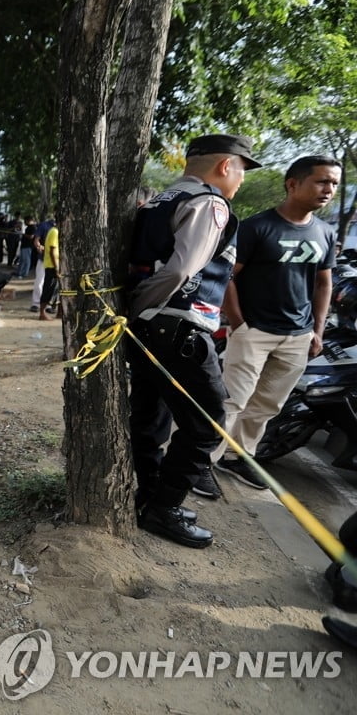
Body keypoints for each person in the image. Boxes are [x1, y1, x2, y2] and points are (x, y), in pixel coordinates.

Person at [127, 133, 261, 549]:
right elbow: (179, 272)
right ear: (225, 166)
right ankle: (164, 509)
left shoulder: (158, 201)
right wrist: (141, 307)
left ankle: (149, 496)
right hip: (179, 328)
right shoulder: (211, 204)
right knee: (207, 425)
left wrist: (137, 315)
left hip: (148, 331)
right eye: (241, 170)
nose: (240, 181)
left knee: (152, 418)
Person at [210, 155, 339, 492]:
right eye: (322, 181)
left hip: (298, 335)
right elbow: (226, 276)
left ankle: (238, 457)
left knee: (267, 404)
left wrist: (317, 329)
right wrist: (238, 323)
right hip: (254, 330)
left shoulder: (324, 232)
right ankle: (202, 461)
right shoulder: (256, 227)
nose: (329, 190)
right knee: (233, 400)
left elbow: (323, 283)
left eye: (334, 184)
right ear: (293, 183)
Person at [38, 223, 60, 321]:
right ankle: (42, 312)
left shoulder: (56, 231)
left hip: (55, 264)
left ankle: (60, 312)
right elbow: (52, 250)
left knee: (57, 290)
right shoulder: (54, 232)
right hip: (51, 265)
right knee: (48, 289)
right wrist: (56, 268)